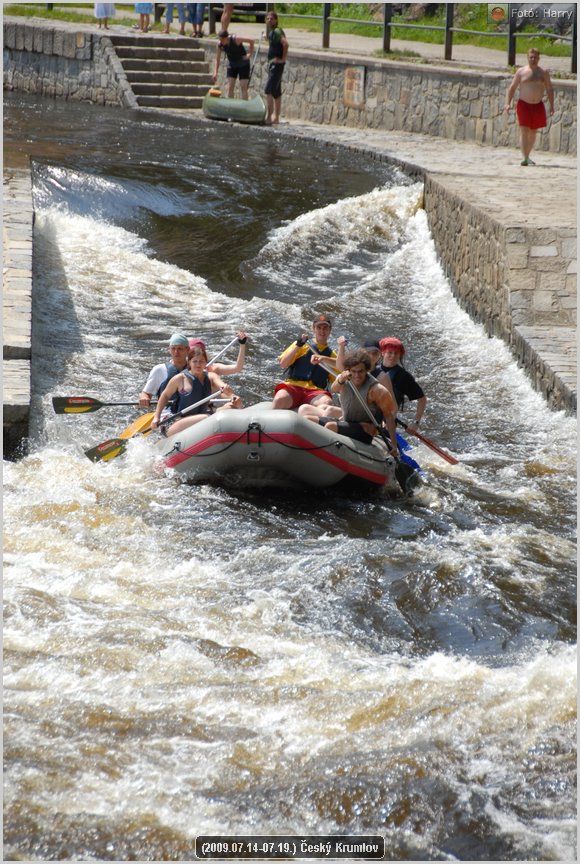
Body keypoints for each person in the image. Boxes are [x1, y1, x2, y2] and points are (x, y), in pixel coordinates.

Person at [301, 349, 398, 456]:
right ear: (348, 370)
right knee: (307, 419)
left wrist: (393, 444)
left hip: (366, 430)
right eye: (354, 371)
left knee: (330, 426)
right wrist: (341, 380)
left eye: (360, 371)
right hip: (348, 422)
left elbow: (389, 416)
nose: (357, 375)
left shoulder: (377, 390)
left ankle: (319, 455)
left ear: (367, 371)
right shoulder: (343, 378)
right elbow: (334, 389)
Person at [151, 345, 242, 436]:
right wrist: (156, 417)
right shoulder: (179, 379)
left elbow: (221, 385)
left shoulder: (211, 376)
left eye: (201, 361)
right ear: (189, 362)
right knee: (205, 417)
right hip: (177, 422)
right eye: (195, 361)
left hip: (202, 417)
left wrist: (229, 392)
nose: (198, 364)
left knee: (232, 406)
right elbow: (165, 395)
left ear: (206, 363)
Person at [272, 314, 346, 410]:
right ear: (313, 329)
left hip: (315, 392)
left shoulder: (333, 356)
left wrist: (342, 348)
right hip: (294, 386)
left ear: (329, 330)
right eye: (319, 328)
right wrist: (298, 345)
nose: (322, 331)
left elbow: (339, 383)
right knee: (280, 398)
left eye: (325, 328)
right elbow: (283, 364)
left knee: (327, 402)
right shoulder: (301, 344)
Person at [504, 47, 554, 166]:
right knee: (524, 129)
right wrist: (507, 103)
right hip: (524, 104)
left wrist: (552, 105)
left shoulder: (543, 73)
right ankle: (525, 157)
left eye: (535, 57)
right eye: (531, 57)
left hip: (537, 104)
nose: (533, 59)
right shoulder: (521, 72)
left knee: (533, 131)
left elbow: (549, 89)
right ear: (527, 58)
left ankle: (527, 155)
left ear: (539, 58)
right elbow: (512, 88)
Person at [376, 337, 426, 435]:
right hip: (367, 416)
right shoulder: (372, 369)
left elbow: (422, 399)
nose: (393, 356)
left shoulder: (404, 377)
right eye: (390, 352)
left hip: (388, 421)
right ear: (382, 353)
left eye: (396, 353)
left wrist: (415, 422)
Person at [139, 333, 189, 410]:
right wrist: (144, 397)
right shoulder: (159, 370)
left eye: (180, 349)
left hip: (189, 412)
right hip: (167, 412)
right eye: (173, 348)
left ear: (187, 350)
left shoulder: (195, 369)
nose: (176, 352)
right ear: (169, 350)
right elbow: (146, 393)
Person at [213, 30, 255, 99]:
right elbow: (217, 59)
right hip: (232, 65)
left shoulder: (236, 39)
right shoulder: (219, 45)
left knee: (243, 86)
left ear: (227, 38)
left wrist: (250, 54)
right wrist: (215, 72)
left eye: (222, 40)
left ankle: (244, 107)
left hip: (243, 64)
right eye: (220, 39)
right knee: (230, 87)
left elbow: (251, 41)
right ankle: (230, 105)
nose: (221, 42)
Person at [264, 11, 288, 125]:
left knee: (268, 90)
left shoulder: (278, 31)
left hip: (276, 65)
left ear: (276, 20)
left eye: (272, 19)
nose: (270, 21)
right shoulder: (272, 33)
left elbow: (285, 44)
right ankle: (276, 118)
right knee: (276, 92)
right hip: (274, 64)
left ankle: (269, 117)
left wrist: (282, 59)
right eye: (268, 19)